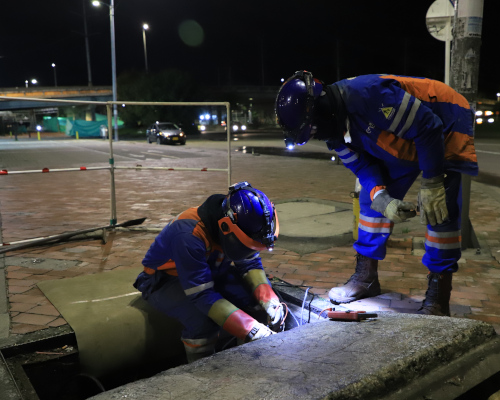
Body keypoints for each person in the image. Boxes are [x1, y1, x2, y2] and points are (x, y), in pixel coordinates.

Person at [275, 71, 478, 316]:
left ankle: (439, 296)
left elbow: (428, 127)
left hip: (445, 122)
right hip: (407, 137)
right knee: (370, 203)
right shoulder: (333, 129)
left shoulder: (370, 96)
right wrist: (381, 197)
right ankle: (366, 277)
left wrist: (432, 182)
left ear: (322, 110)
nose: (317, 136)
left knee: (440, 209)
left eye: (314, 130)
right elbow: (362, 166)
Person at [133, 182, 284, 362]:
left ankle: (245, 360)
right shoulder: (188, 235)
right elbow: (202, 295)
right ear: (226, 228)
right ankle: (203, 374)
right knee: (202, 322)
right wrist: (251, 330)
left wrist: (269, 300)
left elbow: (250, 263)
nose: (249, 252)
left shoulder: (242, 224)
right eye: (247, 247)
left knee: (254, 305)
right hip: (164, 279)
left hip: (210, 271)